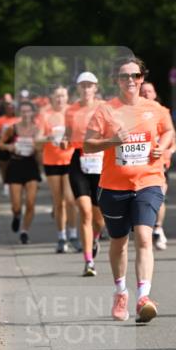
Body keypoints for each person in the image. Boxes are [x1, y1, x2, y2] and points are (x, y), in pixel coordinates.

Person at [83, 56, 174, 323]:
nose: (131, 81)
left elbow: (167, 131)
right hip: (113, 186)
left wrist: (163, 147)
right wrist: (112, 140)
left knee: (145, 237)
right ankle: (120, 291)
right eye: (125, 76)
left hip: (149, 181)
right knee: (119, 243)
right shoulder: (105, 111)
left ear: (142, 78)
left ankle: (143, 297)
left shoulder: (154, 108)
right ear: (117, 81)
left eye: (135, 76)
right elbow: (87, 145)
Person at [65, 72, 105, 277]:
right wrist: (64, 140)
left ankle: (96, 236)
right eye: (83, 86)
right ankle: (89, 261)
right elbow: (67, 133)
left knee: (100, 219)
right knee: (85, 211)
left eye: (90, 85)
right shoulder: (71, 110)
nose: (86, 89)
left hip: (100, 162)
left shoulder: (104, 107)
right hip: (78, 159)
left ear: (95, 88)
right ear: (78, 88)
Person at [36, 84, 79, 253]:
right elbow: (37, 140)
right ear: (51, 98)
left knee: (70, 200)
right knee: (58, 201)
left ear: (68, 97)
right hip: (52, 162)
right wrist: (49, 137)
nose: (60, 99)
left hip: (70, 161)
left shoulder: (73, 112)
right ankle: (61, 237)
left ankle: (74, 234)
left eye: (63, 95)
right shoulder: (45, 115)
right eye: (57, 96)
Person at [139, 81, 176, 250]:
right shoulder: (133, 112)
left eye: (150, 91)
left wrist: (166, 150)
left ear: (155, 94)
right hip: (138, 164)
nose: (147, 93)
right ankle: (143, 228)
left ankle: (158, 228)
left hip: (159, 163)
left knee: (159, 196)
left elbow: (172, 141)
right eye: (144, 91)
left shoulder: (162, 112)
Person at [0, 99, 41, 243]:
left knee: (30, 202)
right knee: (16, 205)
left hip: (30, 166)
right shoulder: (13, 128)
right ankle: (16, 215)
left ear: (32, 112)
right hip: (15, 165)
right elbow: (1, 144)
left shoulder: (36, 129)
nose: (25, 113)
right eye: (22, 111)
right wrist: (10, 147)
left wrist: (37, 147)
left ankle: (24, 231)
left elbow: (41, 149)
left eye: (28, 111)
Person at [0, 99, 18, 187]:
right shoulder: (1, 119)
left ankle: (14, 183)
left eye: (12, 108)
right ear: (6, 109)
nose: (10, 109)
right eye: (9, 108)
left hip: (15, 145)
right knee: (4, 166)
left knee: (14, 166)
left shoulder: (18, 119)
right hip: (3, 143)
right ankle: (5, 184)